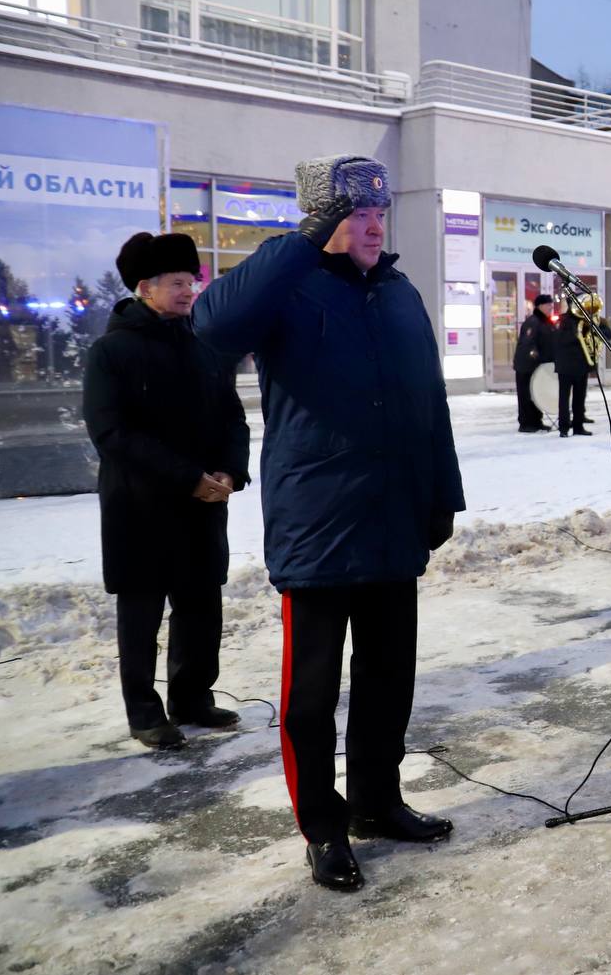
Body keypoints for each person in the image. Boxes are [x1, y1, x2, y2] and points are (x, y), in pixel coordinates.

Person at [193, 154, 465, 893]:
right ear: (321, 220)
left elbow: (429, 401)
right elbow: (214, 326)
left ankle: (378, 801)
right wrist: (301, 241)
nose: (375, 224)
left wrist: (443, 492)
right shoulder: (288, 287)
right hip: (319, 526)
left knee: (388, 680)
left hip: (393, 519)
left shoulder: (403, 293)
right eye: (356, 212)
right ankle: (323, 826)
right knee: (311, 697)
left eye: (380, 211)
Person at [83, 232, 249, 751]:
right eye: (177, 282)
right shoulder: (111, 352)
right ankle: (145, 712)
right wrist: (187, 478)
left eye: (192, 281)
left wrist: (228, 471)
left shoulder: (205, 346)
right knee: (142, 613)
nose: (188, 291)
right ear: (144, 288)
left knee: (201, 607)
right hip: (141, 507)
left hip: (203, 506)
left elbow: (233, 419)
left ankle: (192, 697)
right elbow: (111, 433)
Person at [554, 291, 610, 437]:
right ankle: (564, 428)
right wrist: (581, 329)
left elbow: (606, 335)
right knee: (564, 398)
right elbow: (564, 340)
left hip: (582, 365)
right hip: (566, 366)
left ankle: (578, 426)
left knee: (580, 397)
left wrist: (596, 325)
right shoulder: (565, 320)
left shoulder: (591, 319)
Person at [513, 293, 556, 432]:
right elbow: (528, 345)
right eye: (548, 304)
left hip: (538, 366)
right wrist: (538, 358)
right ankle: (526, 423)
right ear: (540, 306)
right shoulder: (533, 322)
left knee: (536, 395)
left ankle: (537, 421)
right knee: (526, 395)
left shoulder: (544, 321)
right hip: (527, 366)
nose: (551, 307)